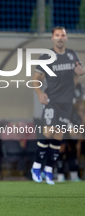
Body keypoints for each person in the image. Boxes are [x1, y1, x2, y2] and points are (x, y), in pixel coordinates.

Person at [31, 26, 84, 185]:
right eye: (57, 35)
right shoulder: (47, 56)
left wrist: (81, 70)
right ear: (53, 38)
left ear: (66, 38)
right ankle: (36, 166)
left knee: (58, 137)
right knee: (48, 132)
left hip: (67, 103)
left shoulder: (71, 54)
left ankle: (48, 169)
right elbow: (36, 79)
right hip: (52, 100)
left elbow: (79, 72)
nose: (60, 38)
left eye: (63, 35)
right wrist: (40, 93)